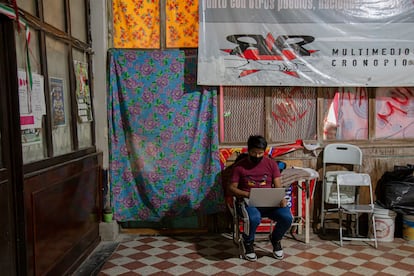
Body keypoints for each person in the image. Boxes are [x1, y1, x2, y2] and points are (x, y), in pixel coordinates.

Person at [228, 135, 293, 261]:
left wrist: (282, 198)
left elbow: (278, 186)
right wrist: (247, 194)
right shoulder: (239, 167)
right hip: (248, 201)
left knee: (287, 217)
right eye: (253, 153)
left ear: (265, 151)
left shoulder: (271, 164)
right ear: (248, 150)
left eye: (260, 153)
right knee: (254, 218)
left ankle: (276, 239)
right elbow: (232, 188)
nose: (257, 156)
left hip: (269, 202)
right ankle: (248, 243)